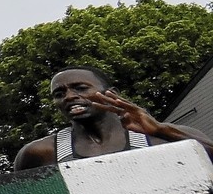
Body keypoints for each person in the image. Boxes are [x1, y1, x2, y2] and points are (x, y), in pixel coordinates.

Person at [12, 67, 213, 170]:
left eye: (80, 88)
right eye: (59, 93)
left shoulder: (160, 139)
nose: (70, 96)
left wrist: (160, 129)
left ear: (112, 94)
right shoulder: (41, 153)